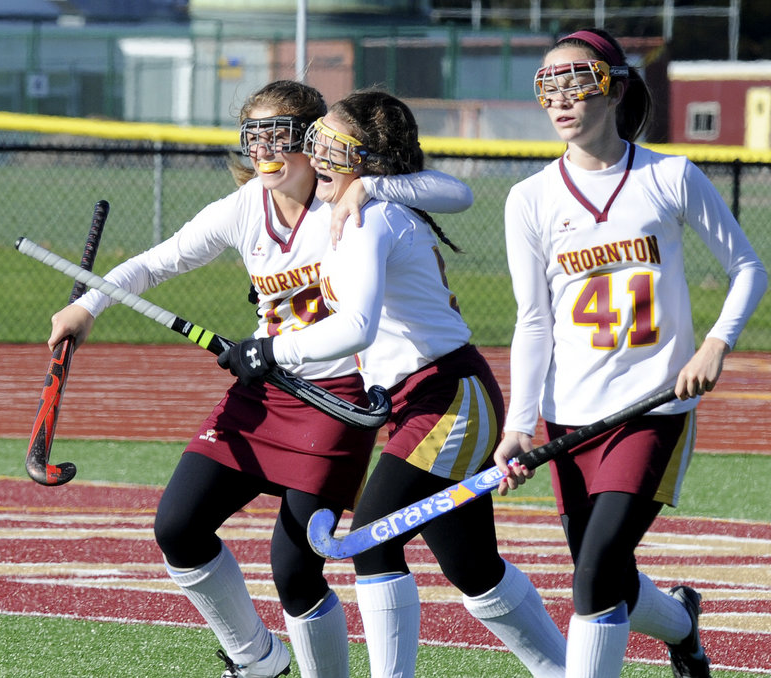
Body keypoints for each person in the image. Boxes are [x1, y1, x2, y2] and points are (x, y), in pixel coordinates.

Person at [47, 80, 476, 678]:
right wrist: (86, 309)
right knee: (178, 526)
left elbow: (454, 192)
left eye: (280, 135)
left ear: (313, 140)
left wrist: (371, 185)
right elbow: (157, 260)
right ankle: (258, 660)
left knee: (295, 570)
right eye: (254, 136)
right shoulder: (247, 206)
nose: (264, 151)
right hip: (263, 390)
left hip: (337, 398)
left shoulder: (350, 203)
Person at [218, 89, 567, 678]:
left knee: (371, 540)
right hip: (421, 400)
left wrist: (272, 349)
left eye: (330, 144)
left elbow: (357, 326)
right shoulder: (351, 209)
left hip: (448, 395)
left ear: (364, 159)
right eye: (314, 141)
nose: (314, 153)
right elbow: (447, 191)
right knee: (473, 567)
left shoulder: (371, 215)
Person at [492, 28, 768, 678]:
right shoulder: (528, 199)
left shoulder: (669, 175)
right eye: (546, 84)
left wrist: (715, 343)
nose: (559, 97)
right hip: (569, 418)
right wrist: (516, 424)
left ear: (612, 86)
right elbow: (533, 320)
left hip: (652, 408)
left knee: (593, 580)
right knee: (607, 574)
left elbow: (749, 268)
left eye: (575, 80)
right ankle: (682, 625)